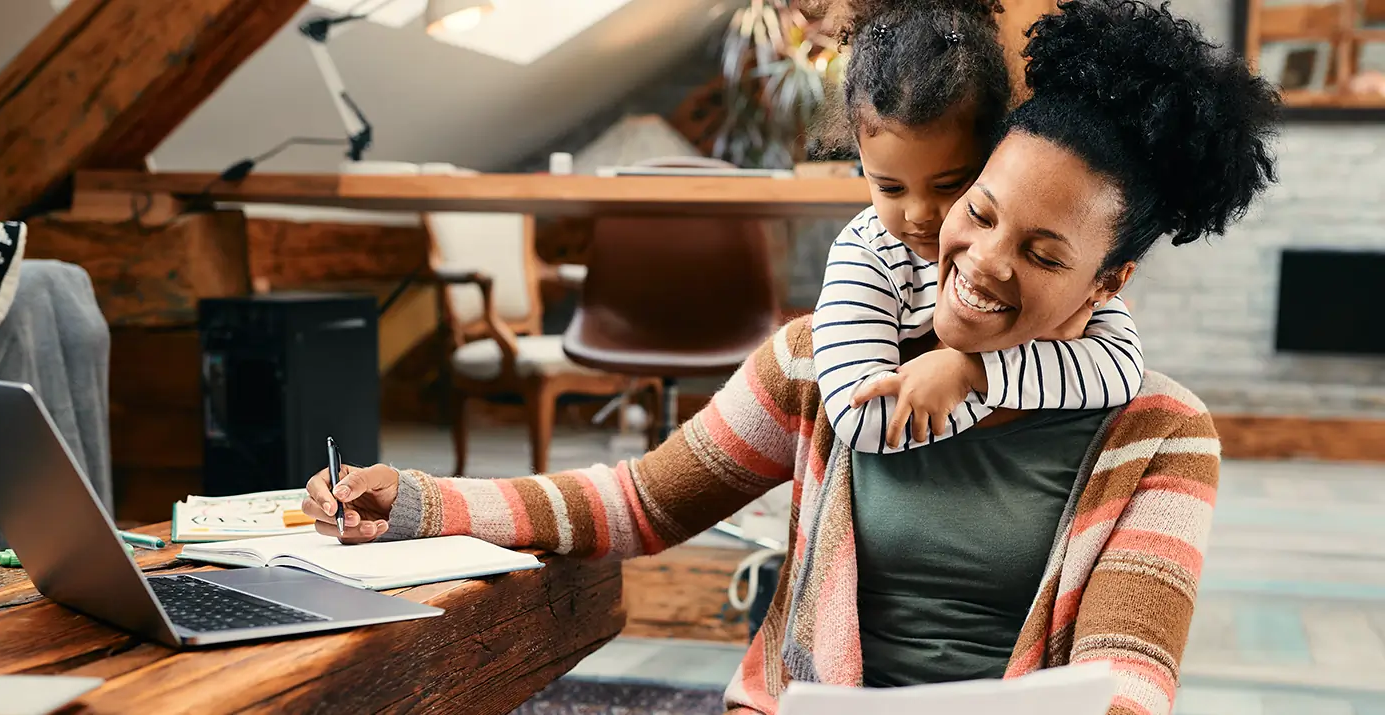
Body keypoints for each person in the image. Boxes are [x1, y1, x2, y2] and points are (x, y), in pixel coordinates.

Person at [302, 1, 1280, 712]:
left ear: (1106, 283)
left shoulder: (1158, 433)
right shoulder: (825, 365)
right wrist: (424, 503)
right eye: (977, 211)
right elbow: (638, 501)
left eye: (1041, 252)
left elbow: (1128, 677)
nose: (977, 259)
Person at [811, 0, 1144, 453]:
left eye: (950, 185)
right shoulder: (867, 256)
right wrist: (974, 374)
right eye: (889, 188)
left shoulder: (1068, 282)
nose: (919, 214)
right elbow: (865, 417)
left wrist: (973, 372)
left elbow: (1120, 370)